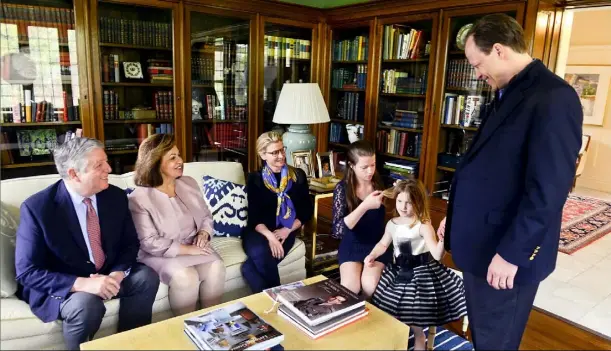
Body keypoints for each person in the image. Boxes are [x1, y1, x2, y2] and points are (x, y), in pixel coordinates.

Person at [437, 14, 583, 350]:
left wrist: (513, 254)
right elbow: (489, 170)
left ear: (499, 50)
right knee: (483, 336)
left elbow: (548, 191)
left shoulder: (553, 98)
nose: (477, 74)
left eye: (477, 64)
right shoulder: (508, 90)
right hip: (482, 247)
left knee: (496, 343)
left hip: (504, 256)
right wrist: (456, 215)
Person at [14, 137, 160, 350]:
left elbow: (130, 243)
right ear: (74, 174)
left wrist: (117, 274)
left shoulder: (115, 196)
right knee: (86, 304)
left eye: (106, 161)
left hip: (107, 273)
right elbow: (27, 272)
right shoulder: (38, 208)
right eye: (99, 165)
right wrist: (82, 284)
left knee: (146, 277)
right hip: (67, 284)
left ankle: (131, 344)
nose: (109, 169)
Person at [128, 134, 226, 316]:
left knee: (216, 267)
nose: (180, 161)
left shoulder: (189, 183)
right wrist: (188, 250)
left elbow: (206, 215)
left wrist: (204, 233)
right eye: (172, 157)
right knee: (186, 277)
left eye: (179, 155)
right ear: (155, 162)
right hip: (160, 254)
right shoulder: (138, 198)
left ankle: (212, 327)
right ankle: (185, 329)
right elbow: (149, 242)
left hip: (195, 246)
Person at [367, 179, 467, 350]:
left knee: (415, 318)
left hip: (421, 274)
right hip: (398, 272)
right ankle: (395, 339)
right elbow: (383, 244)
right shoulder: (392, 224)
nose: (403, 206)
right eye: (399, 201)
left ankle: (420, 339)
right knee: (391, 308)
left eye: (409, 202)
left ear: (418, 203)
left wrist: (443, 239)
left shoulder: (423, 225)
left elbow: (436, 254)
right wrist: (373, 254)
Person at [241, 131, 313, 293]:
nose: (281, 155)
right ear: (262, 155)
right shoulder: (255, 179)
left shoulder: (297, 176)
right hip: (259, 231)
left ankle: (274, 304)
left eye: (282, 150)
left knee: (248, 269)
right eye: (275, 152)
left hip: (285, 229)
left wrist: (287, 230)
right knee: (260, 250)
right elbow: (255, 216)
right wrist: (270, 237)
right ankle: (281, 298)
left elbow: (306, 210)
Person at [331, 140, 391, 298]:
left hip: (378, 244)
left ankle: (371, 318)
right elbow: (337, 231)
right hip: (353, 243)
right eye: (364, 167)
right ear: (351, 165)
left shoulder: (381, 182)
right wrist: (365, 206)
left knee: (369, 285)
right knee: (350, 289)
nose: (370, 171)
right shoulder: (342, 188)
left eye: (373, 164)